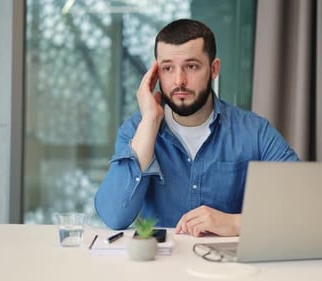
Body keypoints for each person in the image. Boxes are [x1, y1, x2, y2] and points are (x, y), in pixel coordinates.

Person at [94, 19, 299, 237]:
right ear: (155, 74)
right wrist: (151, 121)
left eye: (191, 66)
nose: (179, 80)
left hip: (228, 267)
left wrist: (236, 223)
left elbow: (301, 205)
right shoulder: (136, 130)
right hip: (156, 266)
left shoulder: (255, 132)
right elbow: (114, 216)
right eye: (168, 68)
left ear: (213, 69)